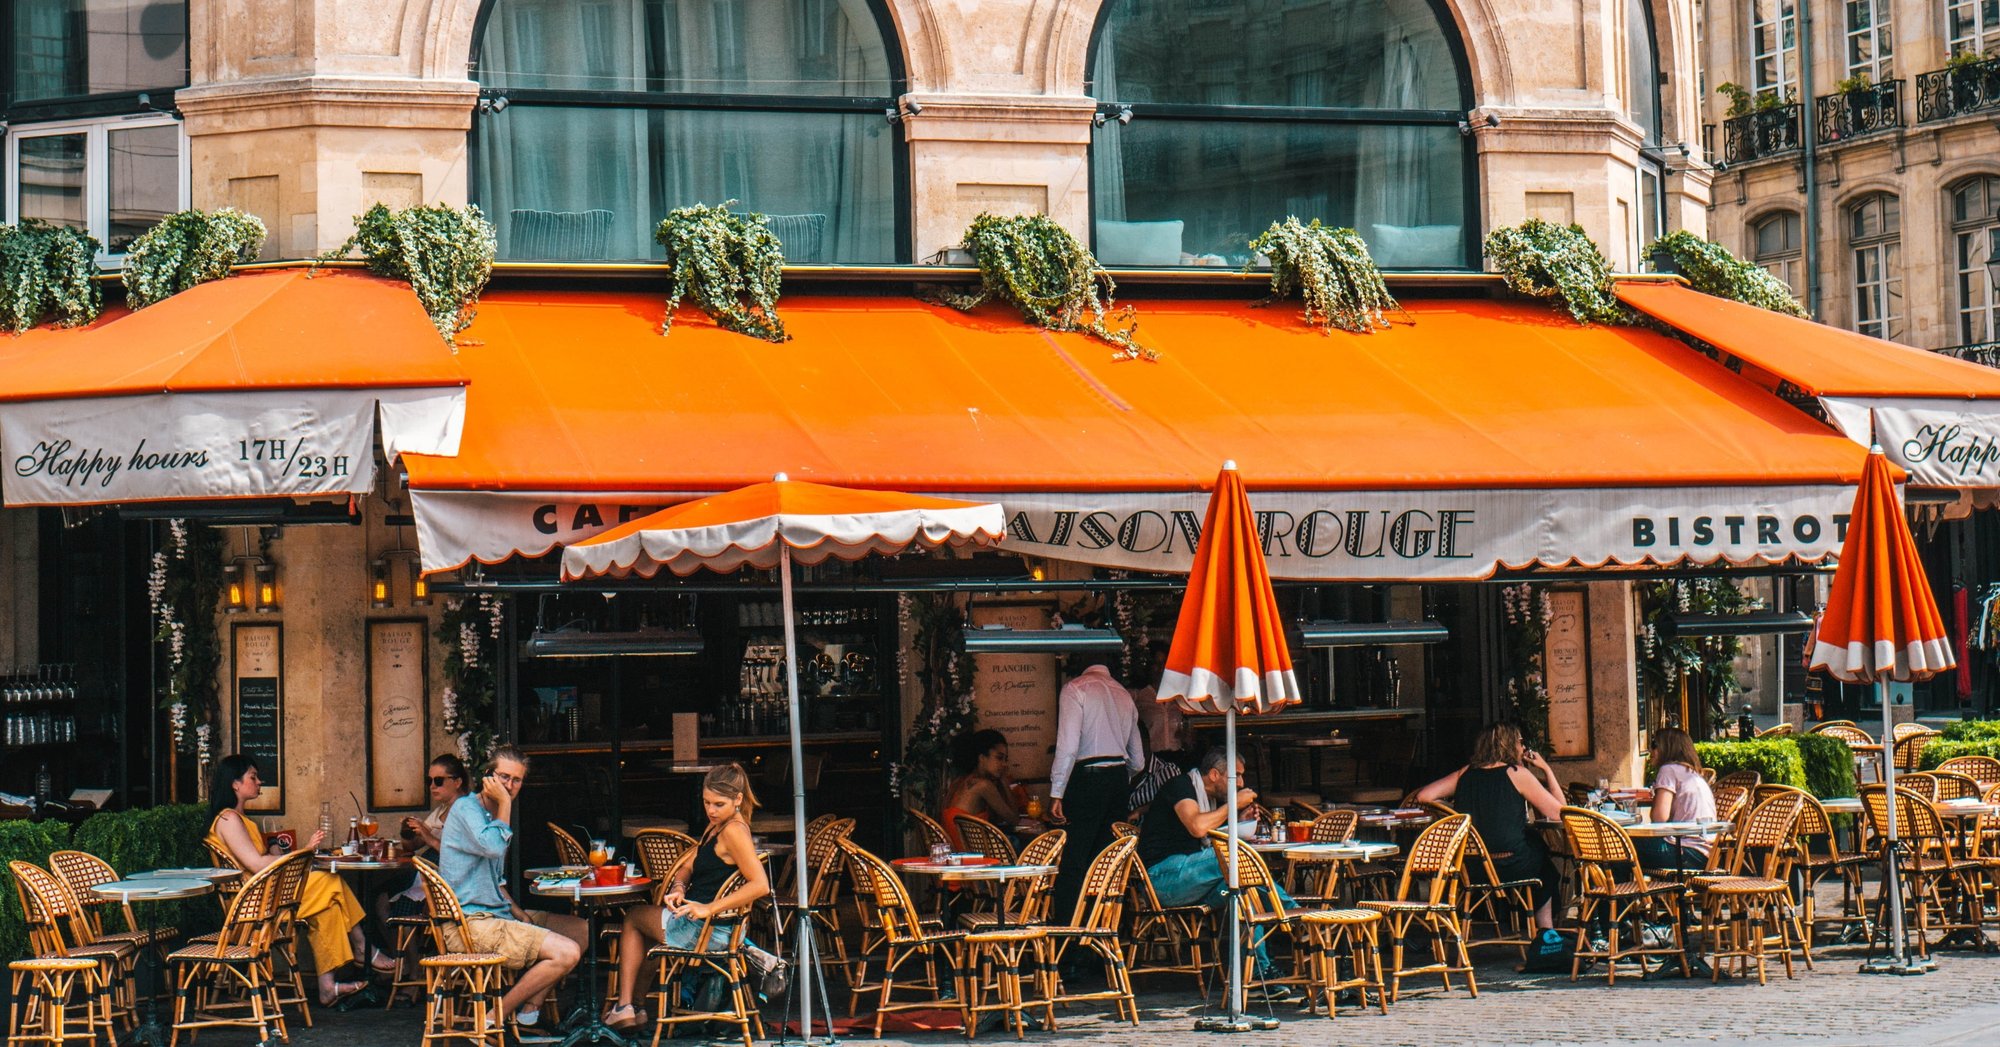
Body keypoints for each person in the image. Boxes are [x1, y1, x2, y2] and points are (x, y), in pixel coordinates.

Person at [603, 764, 781, 1031]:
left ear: (738, 800)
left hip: (711, 930)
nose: (710, 810)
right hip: (704, 923)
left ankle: (624, 1006)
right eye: (707, 802)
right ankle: (634, 1008)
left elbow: (760, 885)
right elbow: (688, 864)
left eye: (719, 804)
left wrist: (709, 908)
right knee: (647, 931)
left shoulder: (734, 830)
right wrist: (679, 888)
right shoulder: (717, 825)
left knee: (633, 918)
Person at [206, 754, 392, 1007]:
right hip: (257, 904)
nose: (259, 782)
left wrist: (275, 850)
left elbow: (260, 859)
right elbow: (255, 864)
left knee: (328, 906)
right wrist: (301, 853)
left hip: (267, 893)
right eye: (253, 777)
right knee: (329, 881)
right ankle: (361, 946)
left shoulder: (239, 819)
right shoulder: (228, 819)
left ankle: (328, 988)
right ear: (235, 784)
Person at [439, 745, 587, 1031]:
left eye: (516, 780)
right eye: (504, 777)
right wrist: (505, 804)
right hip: (469, 925)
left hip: (497, 916)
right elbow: (494, 847)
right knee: (567, 952)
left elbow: (497, 881)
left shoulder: (493, 815)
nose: (509, 785)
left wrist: (520, 913)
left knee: (580, 930)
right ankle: (496, 1014)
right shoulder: (466, 808)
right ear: (488, 777)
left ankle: (530, 1011)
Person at [1134, 747, 1293, 999]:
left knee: (1243, 889)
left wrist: (1238, 818)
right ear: (1215, 775)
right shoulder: (1181, 786)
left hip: (1192, 879)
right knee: (1231, 853)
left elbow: (1210, 831)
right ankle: (1294, 914)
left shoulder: (1209, 798)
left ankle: (1257, 976)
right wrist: (1232, 806)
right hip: (1163, 880)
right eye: (1236, 776)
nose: (1241, 783)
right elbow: (1197, 827)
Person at [1413, 722, 1565, 931]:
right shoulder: (1517, 773)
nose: (1523, 748)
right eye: (1520, 742)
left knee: (1538, 855)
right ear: (1509, 743)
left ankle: (1539, 931)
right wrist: (1546, 769)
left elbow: (1424, 796)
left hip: (1471, 867)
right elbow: (1561, 813)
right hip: (1511, 865)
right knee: (1545, 865)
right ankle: (1546, 933)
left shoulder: (1465, 773)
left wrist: (1452, 812)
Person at [1048, 657, 1145, 923]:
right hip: (1117, 780)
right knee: (1106, 862)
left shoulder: (1076, 688)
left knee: (1075, 861)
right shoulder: (1124, 694)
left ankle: (1070, 940)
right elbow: (1138, 761)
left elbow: (1067, 745)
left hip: (1088, 778)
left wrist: (1057, 792)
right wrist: (1116, 777)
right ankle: (1102, 936)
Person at [375, 754, 470, 931]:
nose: (433, 786)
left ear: (457, 782)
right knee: (379, 898)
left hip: (446, 883)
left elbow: (462, 856)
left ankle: (409, 958)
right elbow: (411, 847)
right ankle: (401, 958)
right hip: (426, 875)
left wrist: (429, 837)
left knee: (399, 909)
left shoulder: (468, 811)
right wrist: (408, 831)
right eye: (430, 781)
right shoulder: (442, 809)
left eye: (439, 781)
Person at [1637, 727, 1716, 870]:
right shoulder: (1691, 773)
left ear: (1668, 748)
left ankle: (1621, 890)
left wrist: (1656, 797)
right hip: (1707, 854)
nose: (1650, 750)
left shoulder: (1668, 769)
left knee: (1619, 845)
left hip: (1685, 852)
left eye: (1654, 744)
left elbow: (1659, 818)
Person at [940, 730, 1025, 848]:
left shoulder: (958, 781)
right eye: (999, 758)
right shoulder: (983, 786)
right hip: (971, 856)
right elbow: (1014, 819)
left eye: (1006, 759)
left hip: (955, 853)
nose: (1004, 764)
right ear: (982, 758)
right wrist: (1004, 781)